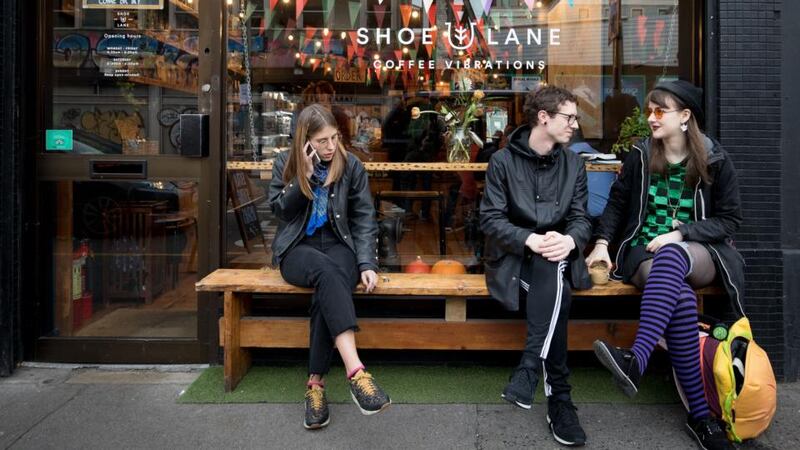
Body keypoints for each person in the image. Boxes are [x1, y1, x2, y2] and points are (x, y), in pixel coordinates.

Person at [585, 80, 743, 450]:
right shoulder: (641, 155)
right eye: (649, 111)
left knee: (672, 254)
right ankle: (701, 419)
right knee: (682, 300)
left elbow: (730, 220)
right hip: (643, 252)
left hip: (700, 252)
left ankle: (636, 359)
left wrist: (681, 233)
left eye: (660, 111)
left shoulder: (715, 159)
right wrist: (603, 243)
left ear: (685, 116)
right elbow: (617, 204)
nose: (652, 118)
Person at [480, 86, 592, 447]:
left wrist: (570, 241)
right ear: (543, 117)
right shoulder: (502, 162)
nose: (575, 124)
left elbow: (581, 219)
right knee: (554, 281)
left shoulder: (573, 163)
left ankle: (529, 367)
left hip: (556, 260)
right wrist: (529, 239)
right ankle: (560, 399)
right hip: (514, 261)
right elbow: (490, 220)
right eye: (569, 117)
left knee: (553, 266)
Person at [269, 104, 391, 430]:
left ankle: (315, 385)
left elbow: (364, 218)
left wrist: (367, 262)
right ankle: (357, 372)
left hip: (339, 246)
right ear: (305, 141)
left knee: (329, 280)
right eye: (322, 141)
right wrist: (305, 176)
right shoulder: (285, 162)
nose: (330, 146)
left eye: (334, 138)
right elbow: (280, 212)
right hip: (298, 248)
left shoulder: (351, 165)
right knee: (327, 272)